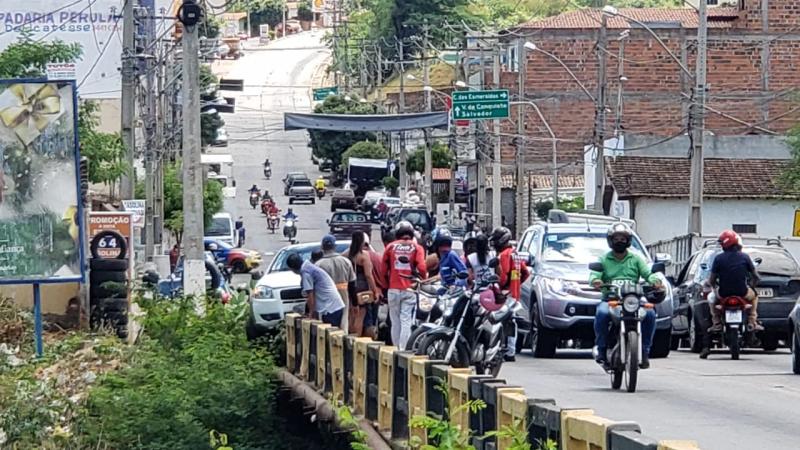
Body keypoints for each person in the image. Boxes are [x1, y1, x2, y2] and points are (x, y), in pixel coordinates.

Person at [590, 223, 662, 369]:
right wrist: (596, 281)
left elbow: (648, 274)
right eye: (616, 238)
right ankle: (601, 349)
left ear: (628, 240)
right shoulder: (603, 259)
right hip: (611, 299)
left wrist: (655, 281)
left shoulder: (636, 259)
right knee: (602, 313)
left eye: (623, 238)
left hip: (632, 299)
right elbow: (594, 275)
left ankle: (645, 351)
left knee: (650, 314)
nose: (619, 241)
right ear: (610, 240)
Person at [701, 230, 762, 358]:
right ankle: (752, 321)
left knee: (711, 298)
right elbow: (756, 276)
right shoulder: (744, 257)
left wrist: (713, 287)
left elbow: (712, 280)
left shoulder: (718, 258)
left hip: (723, 294)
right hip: (743, 292)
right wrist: (752, 286)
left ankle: (716, 323)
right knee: (755, 297)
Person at [383, 221, 427, 349]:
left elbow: (383, 268)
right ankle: (403, 349)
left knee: (395, 322)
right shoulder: (417, 247)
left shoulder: (390, 247)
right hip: (409, 288)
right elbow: (422, 267)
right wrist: (423, 279)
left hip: (393, 288)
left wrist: (385, 284)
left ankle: (396, 348)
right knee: (406, 320)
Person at [490, 226, 530, 362]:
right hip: (513, 294)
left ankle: (502, 349)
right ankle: (511, 351)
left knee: (499, 321)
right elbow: (525, 273)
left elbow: (502, 277)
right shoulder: (515, 253)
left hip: (504, 295)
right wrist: (516, 286)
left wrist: (498, 287)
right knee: (511, 322)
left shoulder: (504, 255)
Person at [287, 253, 345, 327]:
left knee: (329, 334)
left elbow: (310, 295)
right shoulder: (309, 267)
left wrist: (311, 315)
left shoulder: (306, 272)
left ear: (292, 268)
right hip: (333, 306)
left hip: (331, 308)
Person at [316, 235, 356, 335]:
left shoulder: (319, 265)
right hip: (344, 296)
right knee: (343, 325)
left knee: (327, 329)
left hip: (327, 299)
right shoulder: (346, 262)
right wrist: (355, 303)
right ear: (335, 247)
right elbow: (352, 284)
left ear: (322, 247)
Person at [347, 232, 383, 337]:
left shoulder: (347, 254)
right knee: (360, 315)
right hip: (362, 289)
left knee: (351, 315)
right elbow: (368, 275)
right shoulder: (364, 256)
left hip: (350, 287)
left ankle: (349, 336)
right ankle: (356, 339)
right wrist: (375, 291)